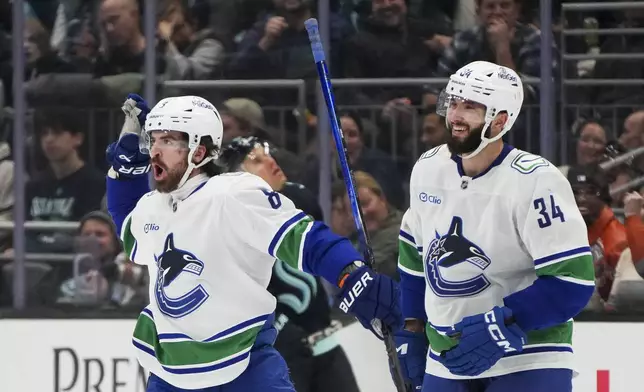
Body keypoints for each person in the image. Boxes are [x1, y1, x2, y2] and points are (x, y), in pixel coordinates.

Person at [105, 94, 401, 392]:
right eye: (152, 139)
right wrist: (123, 175)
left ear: (199, 150)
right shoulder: (155, 206)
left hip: (243, 370)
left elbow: (305, 239)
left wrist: (349, 273)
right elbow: (129, 223)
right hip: (170, 377)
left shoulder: (232, 193)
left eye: (167, 140)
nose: (154, 150)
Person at [394, 61, 595, 392]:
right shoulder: (428, 168)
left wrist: (504, 322)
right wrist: (412, 329)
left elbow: (572, 281)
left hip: (530, 355)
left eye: (470, 106)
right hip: (447, 359)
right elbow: (415, 257)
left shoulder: (536, 180)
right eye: (453, 103)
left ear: (500, 119)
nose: (455, 115)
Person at [218, 135, 360, 392]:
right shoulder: (227, 219)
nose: (272, 162)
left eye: (268, 154)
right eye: (258, 161)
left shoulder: (298, 198)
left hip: (325, 344)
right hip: (278, 352)